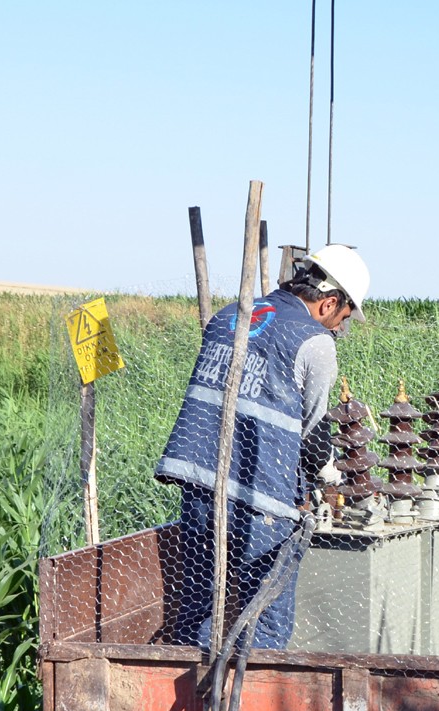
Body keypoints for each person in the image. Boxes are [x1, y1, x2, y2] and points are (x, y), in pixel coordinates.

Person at [155, 244, 369, 650]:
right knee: (265, 624)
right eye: (342, 319)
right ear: (327, 304)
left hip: (201, 484)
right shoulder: (315, 342)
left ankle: (194, 697)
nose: (339, 329)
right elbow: (313, 431)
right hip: (262, 495)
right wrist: (327, 474)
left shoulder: (227, 316)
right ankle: (245, 707)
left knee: (199, 610)